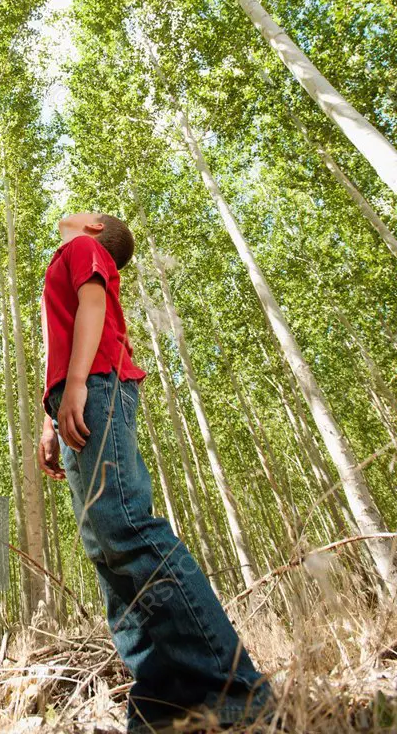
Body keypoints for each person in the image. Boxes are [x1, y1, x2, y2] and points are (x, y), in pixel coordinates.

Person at [37, 211, 274, 733]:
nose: (74, 211)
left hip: (96, 386)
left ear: (96, 229)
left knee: (126, 526)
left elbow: (93, 306)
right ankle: (165, 704)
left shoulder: (83, 251)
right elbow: (61, 340)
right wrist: (50, 418)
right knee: (104, 547)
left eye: (85, 211)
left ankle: (233, 690)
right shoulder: (66, 256)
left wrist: (77, 385)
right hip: (76, 394)